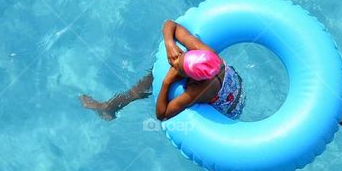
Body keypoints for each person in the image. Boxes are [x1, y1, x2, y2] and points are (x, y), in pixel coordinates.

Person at [79, 19, 245, 122]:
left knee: (158, 79)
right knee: (153, 74)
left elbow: (162, 115)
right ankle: (111, 106)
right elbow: (170, 23)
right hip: (233, 85)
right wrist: (170, 44)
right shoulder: (207, 54)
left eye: (177, 67)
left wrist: (166, 82)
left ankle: (109, 107)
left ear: (192, 79)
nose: (175, 62)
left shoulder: (198, 90)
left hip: (226, 109)